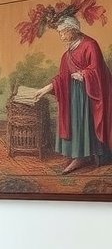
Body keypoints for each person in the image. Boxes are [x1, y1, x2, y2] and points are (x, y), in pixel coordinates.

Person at [34, 15, 112, 174]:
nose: (61, 36)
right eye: (60, 33)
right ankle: (79, 156)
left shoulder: (90, 45)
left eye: (63, 32)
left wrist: (84, 75)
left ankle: (85, 156)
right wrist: (45, 89)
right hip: (72, 95)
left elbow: (97, 70)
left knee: (84, 123)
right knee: (74, 123)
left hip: (88, 95)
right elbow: (62, 78)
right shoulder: (67, 53)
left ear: (73, 30)